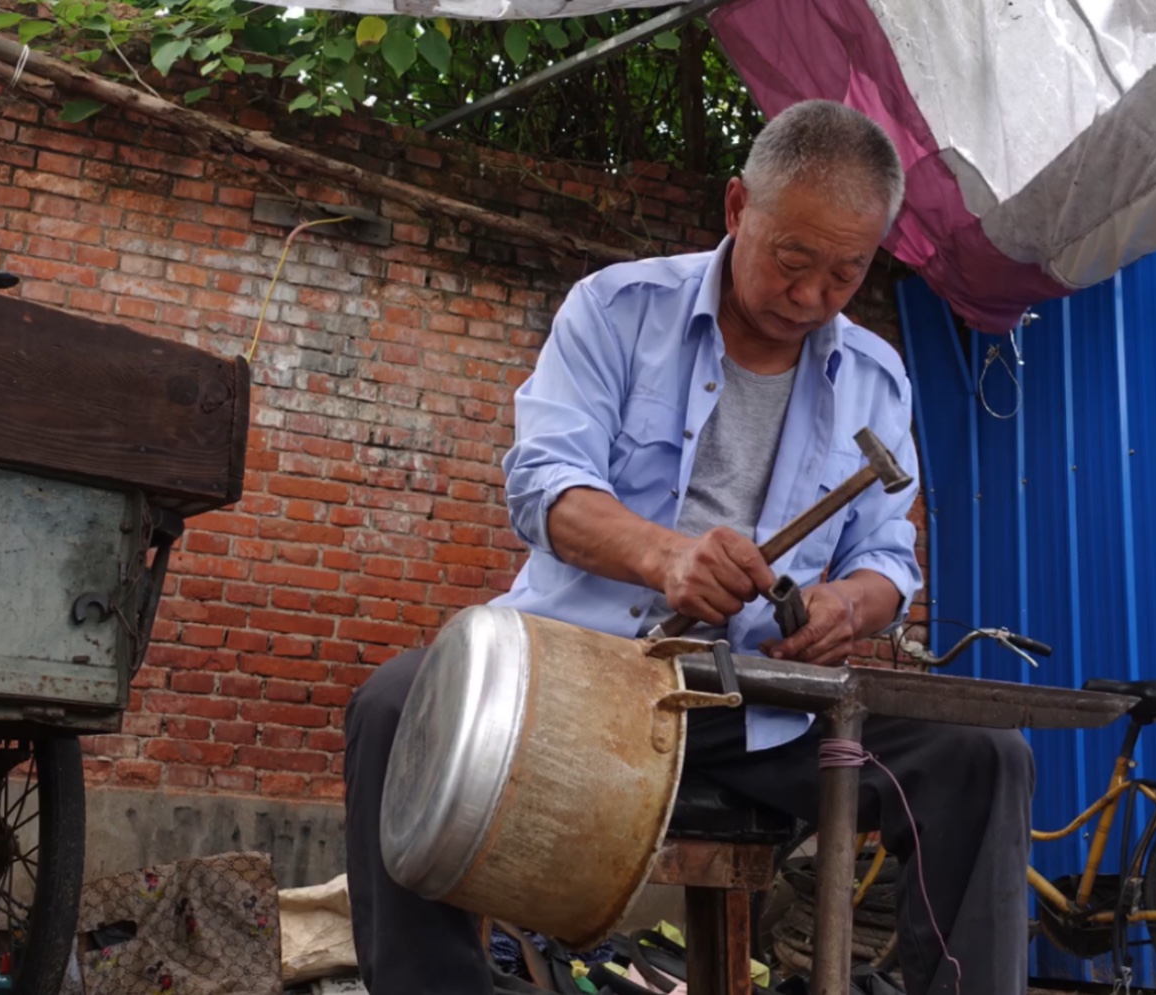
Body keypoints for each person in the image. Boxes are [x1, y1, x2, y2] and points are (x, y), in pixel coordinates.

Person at [343, 100, 1034, 995]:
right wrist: (663, 556)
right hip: (581, 681)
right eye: (793, 260)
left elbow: (888, 561)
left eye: (845, 272)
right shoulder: (617, 309)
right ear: (737, 206)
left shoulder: (874, 374)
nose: (812, 296)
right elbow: (542, 486)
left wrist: (845, 606)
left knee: (983, 755)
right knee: (398, 705)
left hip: (762, 707)